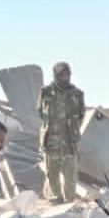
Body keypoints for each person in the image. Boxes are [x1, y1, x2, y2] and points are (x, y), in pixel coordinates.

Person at [37, 61, 85, 203]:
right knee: (52, 174)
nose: (65, 76)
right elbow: (40, 112)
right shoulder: (45, 92)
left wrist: (72, 129)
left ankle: (69, 201)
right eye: (62, 74)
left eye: (67, 74)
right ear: (56, 75)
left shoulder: (77, 94)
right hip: (51, 141)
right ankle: (55, 200)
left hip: (70, 142)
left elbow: (81, 115)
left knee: (70, 175)